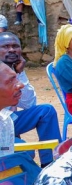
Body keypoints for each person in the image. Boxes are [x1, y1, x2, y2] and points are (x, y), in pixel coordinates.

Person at [0, 32, 60, 165]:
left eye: (15, 46)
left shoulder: (15, 69)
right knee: (25, 152)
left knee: (46, 111)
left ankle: (50, 163)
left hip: (9, 119)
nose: (11, 50)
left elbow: (29, 104)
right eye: (5, 46)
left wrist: (19, 73)